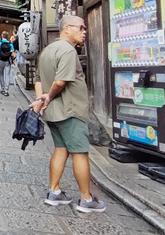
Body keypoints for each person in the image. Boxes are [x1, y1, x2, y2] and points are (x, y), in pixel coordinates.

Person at [29, 15, 107, 213]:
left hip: (54, 113)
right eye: (80, 28)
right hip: (70, 110)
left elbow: (38, 78)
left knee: (60, 149)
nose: (84, 32)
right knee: (80, 152)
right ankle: (86, 199)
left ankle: (54, 192)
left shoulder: (47, 51)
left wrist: (41, 100)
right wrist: (48, 97)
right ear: (66, 29)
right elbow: (60, 82)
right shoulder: (68, 51)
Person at [0, 31, 15, 96]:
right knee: (7, 75)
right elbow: (13, 54)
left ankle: (2, 88)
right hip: (7, 61)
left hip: (0, 60)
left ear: (2, 36)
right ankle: (6, 89)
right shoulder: (10, 44)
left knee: (1, 74)